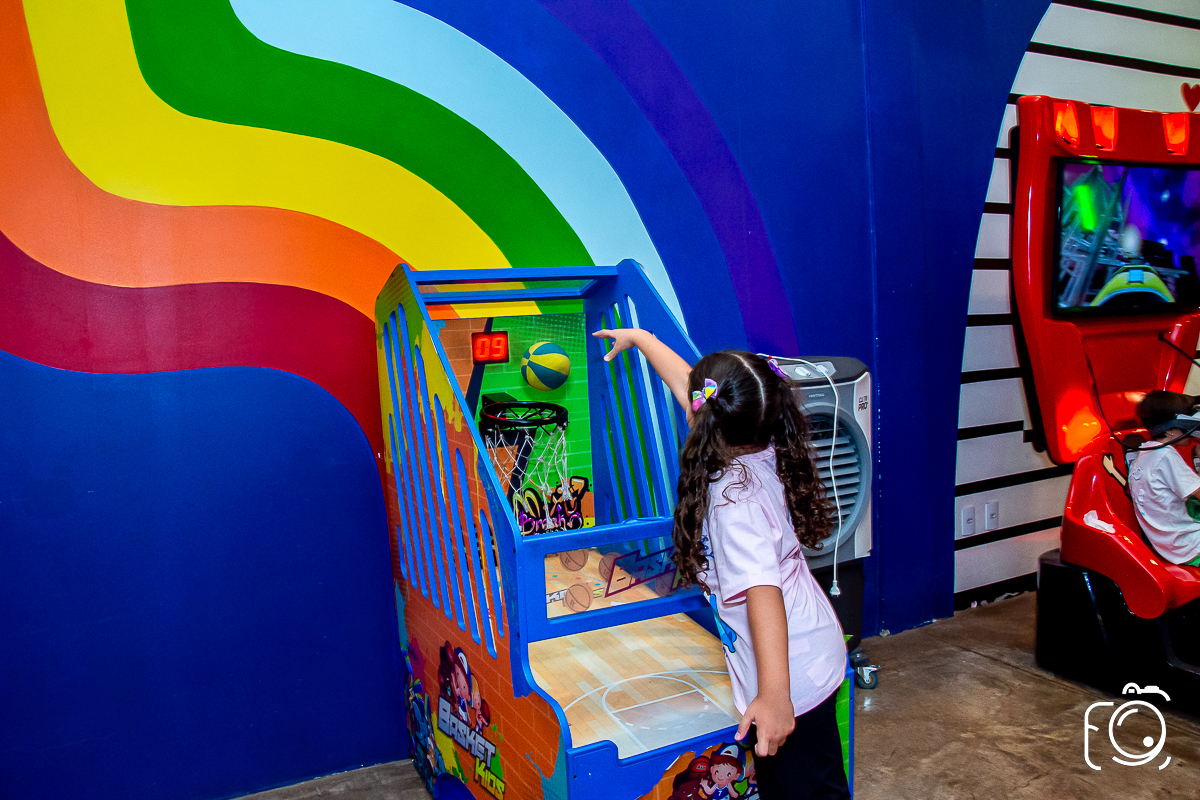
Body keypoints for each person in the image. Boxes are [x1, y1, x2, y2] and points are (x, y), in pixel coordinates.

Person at [593, 328, 850, 800]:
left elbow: (763, 594)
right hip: (804, 652)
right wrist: (642, 339)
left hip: (793, 673)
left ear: (705, 416)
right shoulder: (762, 441)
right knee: (786, 784)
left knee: (810, 789)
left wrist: (775, 696)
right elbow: (690, 386)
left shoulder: (735, 504)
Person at [1130, 390, 1200, 567]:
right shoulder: (1166, 456)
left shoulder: (1145, 454)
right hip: (1190, 545)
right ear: (1170, 431)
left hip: (1170, 545)